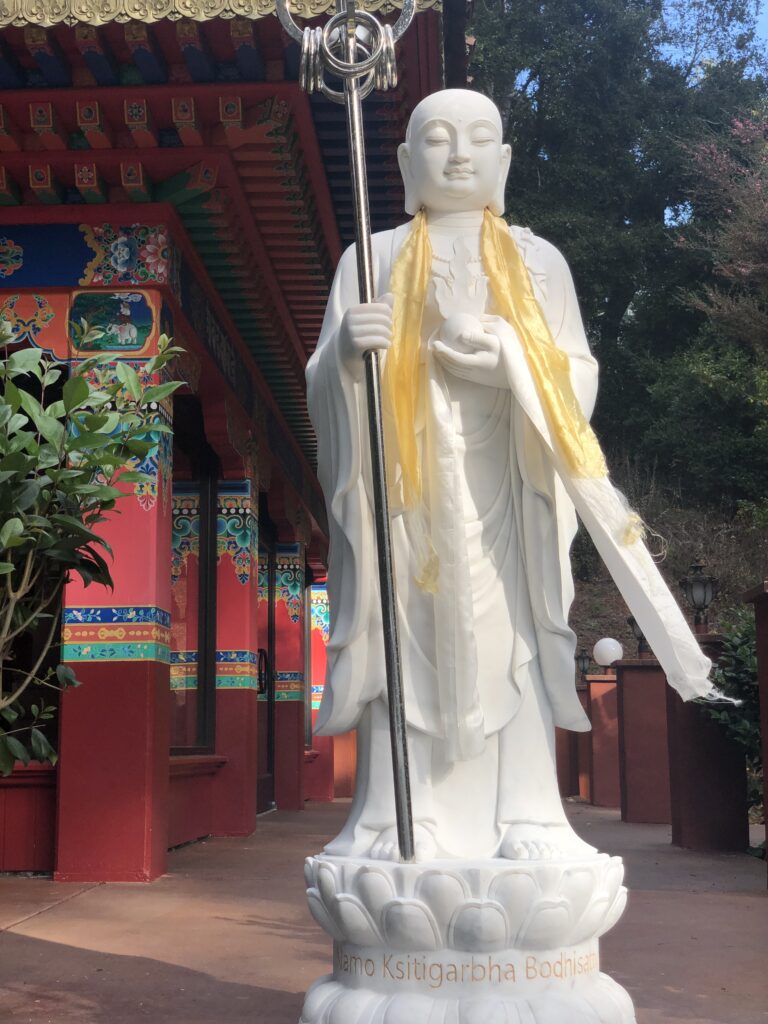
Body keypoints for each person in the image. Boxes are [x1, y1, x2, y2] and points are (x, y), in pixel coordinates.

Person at [306, 89, 713, 862]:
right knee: (405, 640)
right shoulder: (372, 257)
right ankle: (401, 815)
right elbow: (323, 385)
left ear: (503, 163)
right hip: (407, 495)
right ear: (402, 164)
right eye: (436, 137)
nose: (457, 152)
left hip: (510, 494)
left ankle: (526, 814)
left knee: (520, 641)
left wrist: (512, 363)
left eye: (478, 137)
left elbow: (578, 374)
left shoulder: (538, 260)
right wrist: (343, 360)